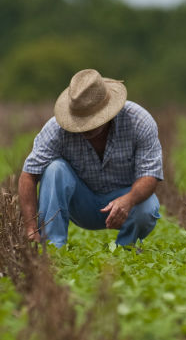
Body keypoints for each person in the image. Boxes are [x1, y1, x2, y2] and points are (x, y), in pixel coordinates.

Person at [19, 68, 164, 248]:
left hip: (124, 200)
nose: (86, 128)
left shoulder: (139, 121)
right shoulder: (56, 129)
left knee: (148, 207)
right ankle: (53, 248)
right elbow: (28, 175)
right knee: (55, 169)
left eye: (91, 120)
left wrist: (129, 200)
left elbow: (150, 174)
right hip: (81, 203)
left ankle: (126, 249)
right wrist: (31, 228)